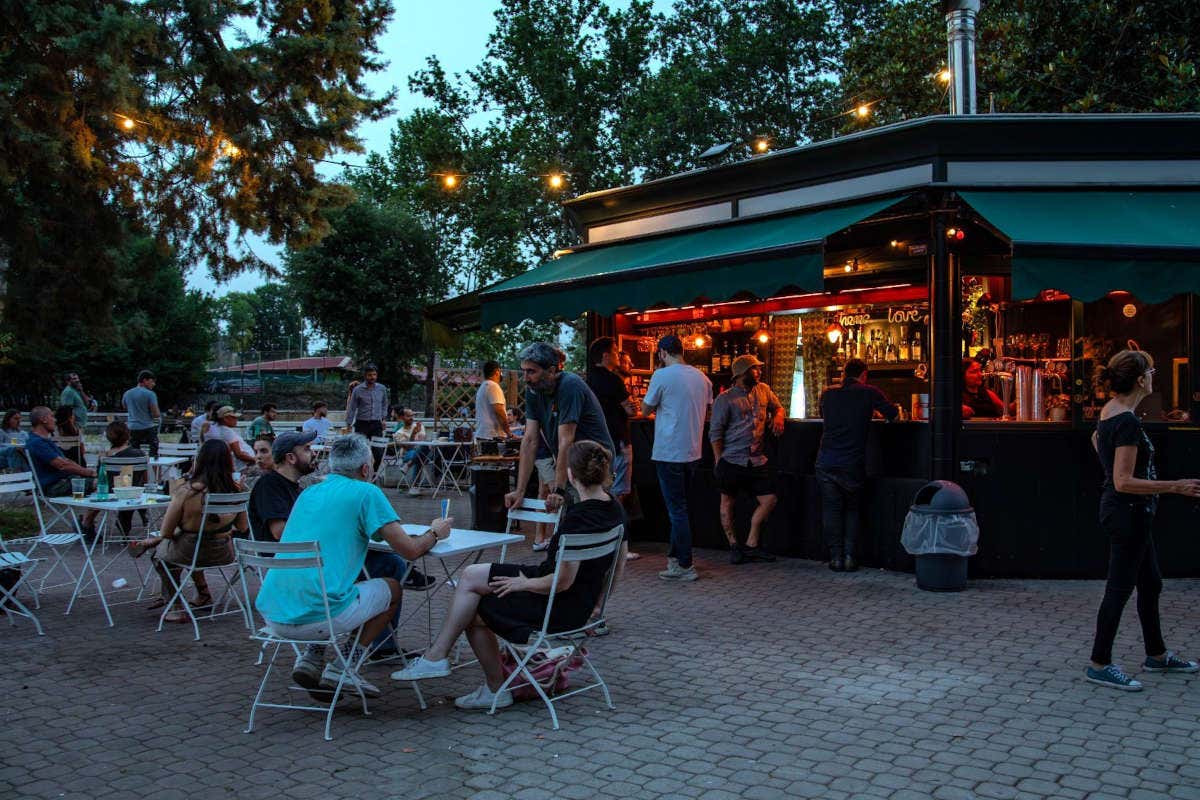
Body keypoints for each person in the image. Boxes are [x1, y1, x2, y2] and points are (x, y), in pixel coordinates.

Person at [394, 440, 624, 711]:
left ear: (571, 474)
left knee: (476, 611)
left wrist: (524, 583)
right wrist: (599, 604)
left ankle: (491, 687)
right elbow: (618, 564)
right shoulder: (614, 508)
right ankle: (438, 657)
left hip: (556, 603)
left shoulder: (578, 520)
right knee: (470, 575)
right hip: (577, 602)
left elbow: (562, 581)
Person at [254, 435, 453, 696]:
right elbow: (410, 550)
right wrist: (435, 532)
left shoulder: (309, 492)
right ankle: (344, 664)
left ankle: (312, 658)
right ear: (366, 469)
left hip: (273, 612)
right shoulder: (367, 492)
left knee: (345, 582)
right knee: (391, 588)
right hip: (318, 616)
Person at [1085, 349, 1200, 691]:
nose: (1154, 374)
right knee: (1118, 590)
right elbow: (1123, 481)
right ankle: (1099, 663)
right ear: (1140, 379)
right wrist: (1175, 486)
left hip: (1128, 512)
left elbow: (1096, 439)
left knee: (1151, 584)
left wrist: (1109, 467)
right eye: (1151, 370)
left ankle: (1157, 655)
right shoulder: (1127, 421)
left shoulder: (1113, 413)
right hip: (1127, 513)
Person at [128, 439, 249, 623]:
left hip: (190, 550)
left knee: (162, 556)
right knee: (189, 541)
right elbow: (242, 527)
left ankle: (175, 606)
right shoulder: (238, 490)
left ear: (198, 461)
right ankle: (203, 593)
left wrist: (170, 534)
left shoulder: (187, 491)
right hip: (223, 552)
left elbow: (167, 532)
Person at [504, 342, 614, 519]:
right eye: (523, 371)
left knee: (586, 521)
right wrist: (519, 490)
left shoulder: (570, 385)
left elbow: (566, 440)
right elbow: (530, 439)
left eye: (531, 371)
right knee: (569, 522)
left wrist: (559, 490)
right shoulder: (534, 390)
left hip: (595, 463)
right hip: (573, 464)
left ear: (552, 371)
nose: (525, 377)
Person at [816, 358, 898, 572]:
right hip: (852, 462)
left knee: (832, 510)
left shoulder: (827, 393)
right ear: (864, 374)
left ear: (844, 374)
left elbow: (822, 416)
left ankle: (835, 558)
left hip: (826, 461)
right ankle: (850, 557)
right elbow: (893, 414)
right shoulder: (870, 392)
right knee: (852, 509)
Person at [641, 334, 711, 583]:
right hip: (693, 451)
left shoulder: (661, 376)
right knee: (681, 509)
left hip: (669, 451)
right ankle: (675, 559)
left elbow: (645, 409)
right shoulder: (702, 378)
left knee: (677, 510)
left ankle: (685, 565)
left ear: (661, 353)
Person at [710, 354, 784, 565]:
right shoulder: (724, 399)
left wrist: (778, 416)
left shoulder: (764, 390)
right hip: (732, 459)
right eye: (754, 369)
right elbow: (715, 433)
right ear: (742, 373)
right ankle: (734, 546)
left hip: (757, 459)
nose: (759, 372)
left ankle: (751, 545)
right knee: (727, 502)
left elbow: (778, 406)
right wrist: (718, 461)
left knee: (769, 499)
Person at [586, 337, 637, 504]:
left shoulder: (588, 379)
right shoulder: (614, 380)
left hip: (596, 440)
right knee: (618, 491)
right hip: (617, 439)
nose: (618, 356)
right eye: (615, 352)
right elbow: (630, 411)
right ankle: (618, 525)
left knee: (600, 488)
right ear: (606, 356)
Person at [25, 406, 96, 496]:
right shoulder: (37, 443)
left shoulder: (44, 440)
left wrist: (86, 471)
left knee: (104, 481)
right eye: (52, 416)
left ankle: (93, 510)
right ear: (43, 420)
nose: (55, 420)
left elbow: (66, 461)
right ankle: (94, 510)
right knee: (101, 484)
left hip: (64, 481)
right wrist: (89, 472)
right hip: (53, 486)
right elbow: (62, 465)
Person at [102, 420, 149, 536]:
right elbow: (145, 477)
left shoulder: (105, 456)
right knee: (132, 485)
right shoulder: (140, 454)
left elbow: (101, 478)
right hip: (135, 491)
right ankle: (143, 514)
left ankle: (124, 523)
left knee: (123, 484)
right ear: (128, 435)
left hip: (112, 492)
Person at [346, 364, 388, 470]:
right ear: (365, 376)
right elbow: (352, 407)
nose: (372, 377)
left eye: (374, 374)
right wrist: (348, 424)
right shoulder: (358, 390)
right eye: (370, 375)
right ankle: (360, 475)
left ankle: (374, 474)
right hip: (362, 424)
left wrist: (383, 419)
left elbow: (384, 404)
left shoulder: (381, 389)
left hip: (376, 424)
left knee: (378, 452)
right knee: (360, 451)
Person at [392, 408, 432, 496]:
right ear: (402, 417)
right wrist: (413, 434)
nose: (411, 418)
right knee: (418, 455)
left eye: (412, 415)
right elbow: (408, 447)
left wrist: (422, 436)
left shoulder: (419, 426)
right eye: (408, 416)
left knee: (423, 450)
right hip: (407, 454)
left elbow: (423, 440)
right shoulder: (399, 433)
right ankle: (414, 486)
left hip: (422, 453)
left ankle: (408, 465)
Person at [122, 370, 161, 456]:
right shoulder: (150, 394)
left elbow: (125, 407)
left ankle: (136, 468)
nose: (153, 384)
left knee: (133, 453)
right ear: (145, 380)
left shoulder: (127, 393)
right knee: (154, 453)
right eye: (152, 381)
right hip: (147, 427)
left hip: (132, 428)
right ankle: (154, 468)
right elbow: (156, 414)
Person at [474, 361, 510, 440]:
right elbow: (499, 410)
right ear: (497, 372)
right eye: (500, 371)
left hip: (483, 433)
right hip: (493, 435)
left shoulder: (484, 386)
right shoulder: (493, 386)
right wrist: (508, 432)